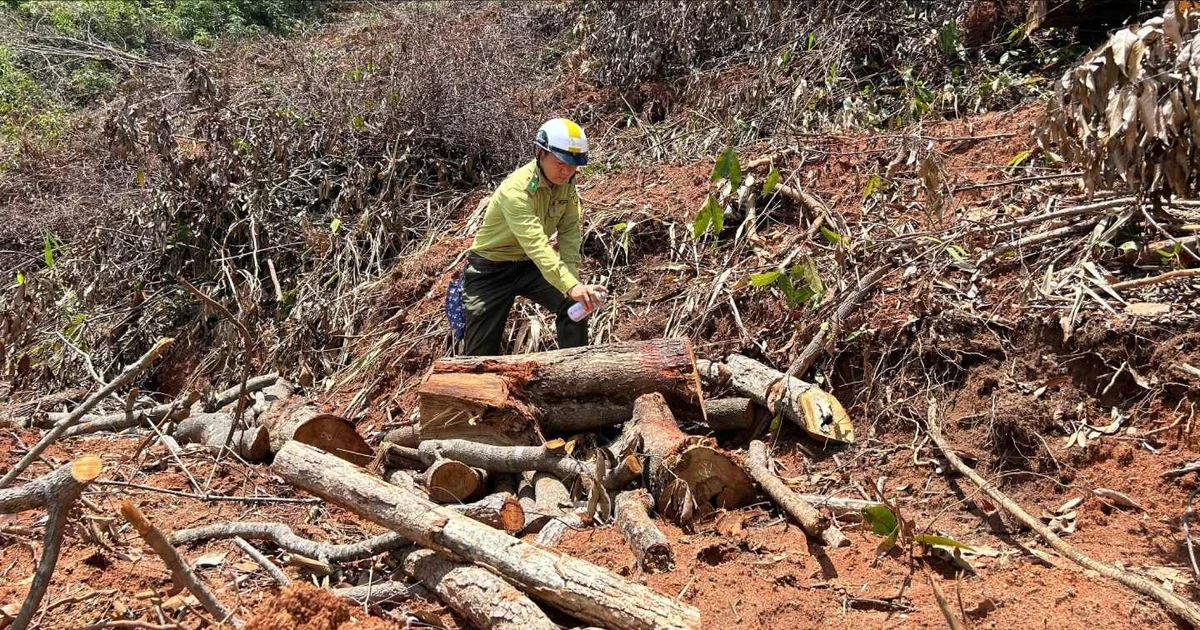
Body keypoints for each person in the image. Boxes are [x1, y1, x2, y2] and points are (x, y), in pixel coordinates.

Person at [459, 118, 607, 356]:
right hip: (490, 270)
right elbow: (536, 244)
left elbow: (570, 232)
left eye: (573, 166)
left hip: (529, 266)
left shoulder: (567, 184)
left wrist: (574, 284)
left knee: (575, 304)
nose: (566, 171)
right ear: (540, 152)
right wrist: (570, 285)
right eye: (560, 163)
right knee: (480, 354)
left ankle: (576, 376)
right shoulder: (516, 190)